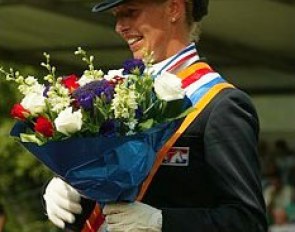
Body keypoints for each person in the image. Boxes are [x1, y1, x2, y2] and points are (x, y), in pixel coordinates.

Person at [43, 0, 268, 231]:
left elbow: (248, 222)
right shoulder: (115, 91)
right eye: (116, 16)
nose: (119, 27)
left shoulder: (220, 104)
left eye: (130, 13)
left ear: (173, 9)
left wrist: (162, 222)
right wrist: (70, 188)